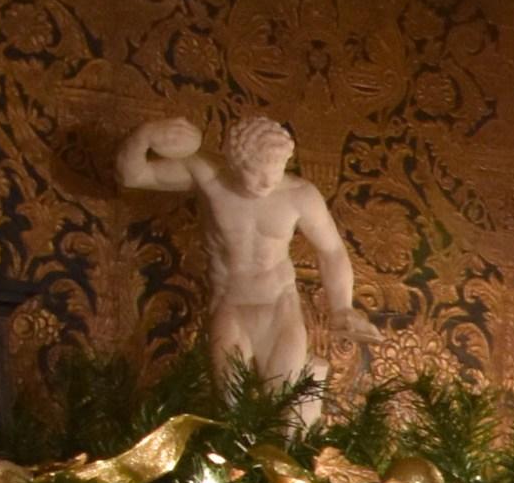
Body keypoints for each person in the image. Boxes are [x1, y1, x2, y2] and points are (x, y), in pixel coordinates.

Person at [114, 115, 364, 390]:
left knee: (283, 396)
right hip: (229, 305)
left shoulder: (301, 195)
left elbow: (332, 251)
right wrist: (145, 135)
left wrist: (342, 307)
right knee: (230, 402)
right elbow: (132, 175)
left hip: (280, 307)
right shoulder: (208, 177)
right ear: (235, 163)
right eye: (256, 173)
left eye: (276, 170)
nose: (267, 182)